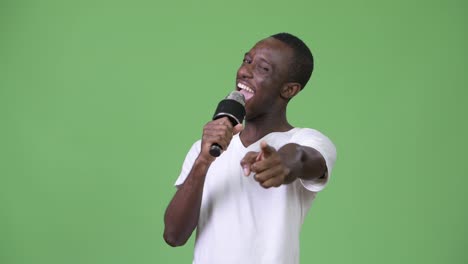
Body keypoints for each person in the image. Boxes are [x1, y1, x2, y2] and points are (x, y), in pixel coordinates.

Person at [163, 33, 337, 264]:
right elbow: (174, 235)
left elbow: (302, 157)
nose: (245, 71)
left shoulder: (308, 140)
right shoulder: (204, 149)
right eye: (247, 60)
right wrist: (203, 162)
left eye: (263, 69)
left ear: (289, 90)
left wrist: (283, 163)